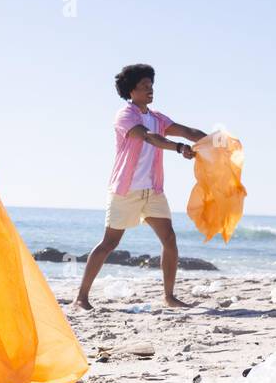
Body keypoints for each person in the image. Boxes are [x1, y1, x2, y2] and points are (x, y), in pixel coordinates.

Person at [72, 63, 205, 310]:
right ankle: (81, 297)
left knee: (170, 239)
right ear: (131, 90)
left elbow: (187, 131)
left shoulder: (157, 118)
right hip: (127, 190)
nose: (150, 89)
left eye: (151, 85)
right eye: (144, 86)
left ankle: (169, 296)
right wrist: (178, 148)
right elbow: (148, 137)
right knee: (109, 243)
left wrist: (214, 141)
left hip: (153, 190)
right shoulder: (125, 116)